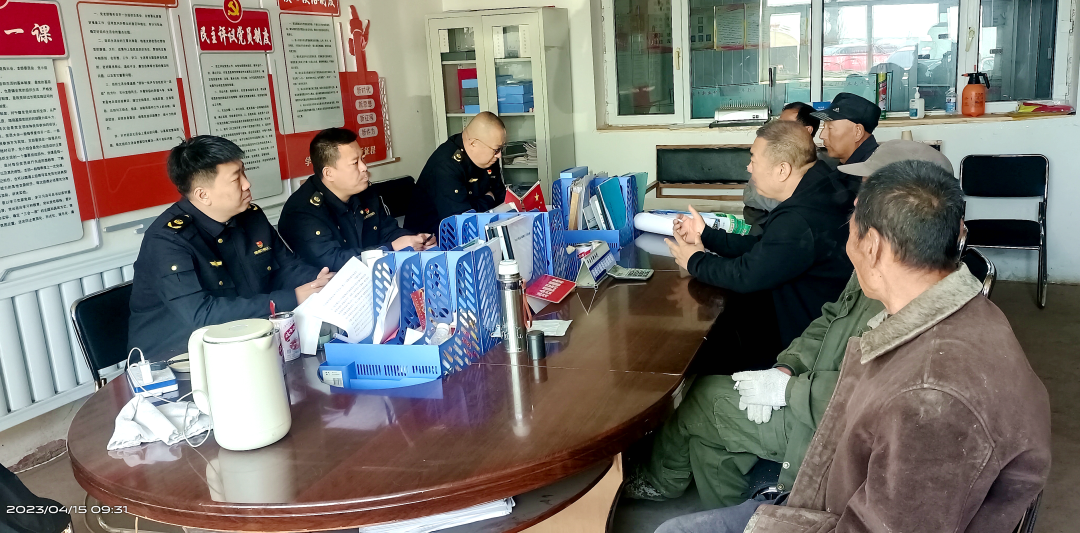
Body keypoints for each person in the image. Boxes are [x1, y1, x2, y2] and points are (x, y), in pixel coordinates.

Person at [657, 160, 1052, 533]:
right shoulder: (950, 310)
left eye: (850, 227)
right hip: (831, 485)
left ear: (873, 246)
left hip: (831, 511)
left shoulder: (931, 398)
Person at [623, 141, 955, 510]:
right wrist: (786, 368)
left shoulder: (914, 301)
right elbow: (830, 318)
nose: (855, 203)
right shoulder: (889, 268)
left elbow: (874, 400)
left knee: (703, 400)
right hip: (814, 384)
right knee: (709, 436)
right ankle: (739, 517)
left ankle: (661, 482)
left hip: (830, 424)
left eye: (868, 194)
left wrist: (789, 390)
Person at [128, 136, 332, 361]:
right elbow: (203, 315)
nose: (247, 184)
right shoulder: (168, 241)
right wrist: (293, 297)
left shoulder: (251, 217)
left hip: (246, 341)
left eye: (243, 172)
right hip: (177, 360)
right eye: (236, 179)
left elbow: (287, 268)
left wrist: (322, 283)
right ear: (203, 195)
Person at [666, 121, 855, 350]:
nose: (749, 168)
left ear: (782, 170)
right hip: (822, 319)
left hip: (810, 343)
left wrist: (694, 260)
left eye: (754, 160)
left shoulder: (799, 218)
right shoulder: (821, 185)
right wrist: (705, 234)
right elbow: (767, 247)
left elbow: (747, 275)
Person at [279, 128, 436, 271]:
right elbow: (332, 261)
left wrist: (415, 240)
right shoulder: (302, 212)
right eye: (355, 163)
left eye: (363, 159)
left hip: (379, 274)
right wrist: (391, 248)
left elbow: (388, 230)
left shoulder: (364, 191)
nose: (364, 167)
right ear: (329, 173)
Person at [405, 112, 508, 234]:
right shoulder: (446, 165)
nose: (499, 155)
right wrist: (489, 199)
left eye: (501, 148)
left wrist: (482, 203)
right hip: (431, 237)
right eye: (496, 149)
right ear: (473, 143)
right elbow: (461, 221)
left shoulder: (489, 157)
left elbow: (501, 197)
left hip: (478, 228)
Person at [743, 102, 821, 227]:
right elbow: (750, 193)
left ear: (807, 130)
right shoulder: (772, 152)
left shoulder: (813, 166)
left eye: (786, 125)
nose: (777, 129)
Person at [812, 92, 880, 192]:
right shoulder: (848, 166)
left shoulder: (868, 177)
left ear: (858, 132)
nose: (822, 136)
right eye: (823, 127)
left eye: (830, 128)